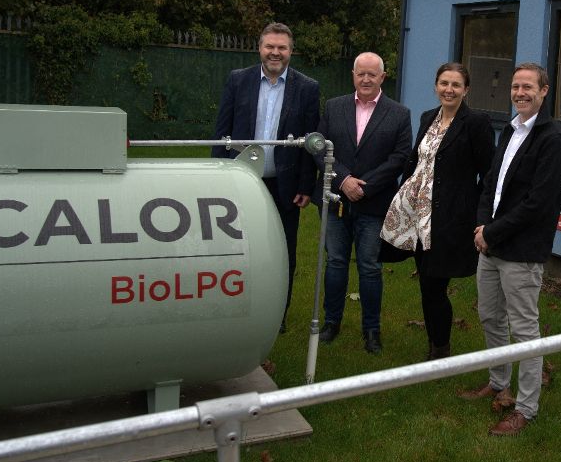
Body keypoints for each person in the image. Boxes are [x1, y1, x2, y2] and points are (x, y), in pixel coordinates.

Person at [461, 63, 561, 436]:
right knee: (491, 317)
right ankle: (497, 383)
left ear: (544, 91)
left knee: (525, 330)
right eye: (515, 86)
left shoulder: (553, 140)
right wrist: (481, 225)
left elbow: (537, 203)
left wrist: (491, 232)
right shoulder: (510, 129)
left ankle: (526, 408)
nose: (520, 92)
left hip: (521, 250)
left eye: (528, 87)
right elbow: (491, 183)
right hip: (490, 243)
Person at [380, 63, 495, 360]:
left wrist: (473, 211)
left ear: (466, 90)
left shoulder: (476, 123)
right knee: (427, 283)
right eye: (444, 83)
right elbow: (418, 162)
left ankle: (440, 350)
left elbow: (489, 174)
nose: (449, 89)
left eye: (456, 84)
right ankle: (435, 343)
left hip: (449, 221)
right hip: (419, 217)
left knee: (434, 283)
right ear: (436, 86)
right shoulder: (427, 117)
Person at [211, 22, 320, 333]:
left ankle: (277, 315)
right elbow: (222, 132)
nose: (275, 52)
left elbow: (309, 141)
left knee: (283, 250)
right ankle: (236, 306)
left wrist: (305, 185)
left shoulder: (307, 88)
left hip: (284, 185)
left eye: (282, 47)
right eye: (270, 46)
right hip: (240, 181)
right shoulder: (238, 80)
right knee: (236, 247)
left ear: (290, 51)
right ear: (259, 48)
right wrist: (216, 177)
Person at [317, 52, 412, 354]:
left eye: (373, 74)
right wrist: (343, 179)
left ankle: (371, 330)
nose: (366, 79)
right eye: (361, 73)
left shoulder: (398, 113)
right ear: (353, 75)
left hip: (374, 204)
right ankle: (331, 322)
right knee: (335, 263)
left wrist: (366, 187)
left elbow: (400, 157)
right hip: (337, 202)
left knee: (370, 267)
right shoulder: (334, 107)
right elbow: (320, 148)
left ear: (383, 77)